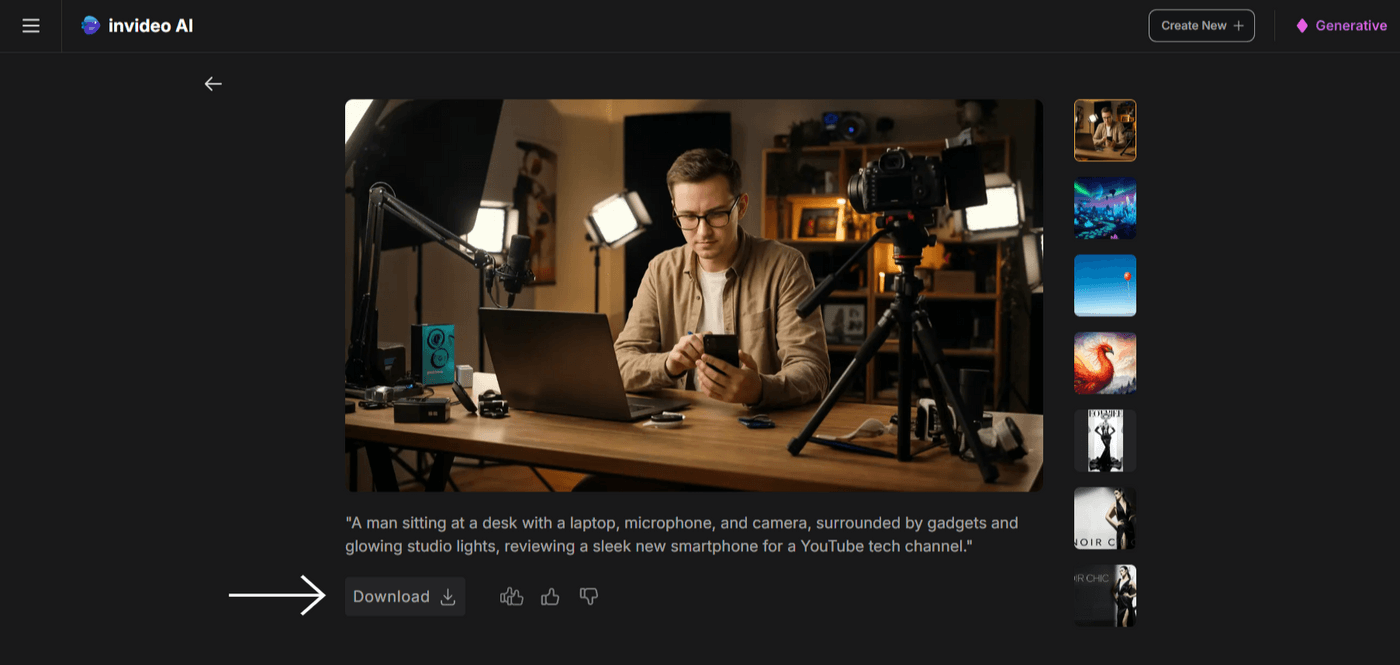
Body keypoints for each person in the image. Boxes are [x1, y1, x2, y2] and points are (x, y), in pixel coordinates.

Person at [614, 148, 830, 410]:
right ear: (675, 210)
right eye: (688, 217)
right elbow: (620, 364)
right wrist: (668, 365)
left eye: (716, 214)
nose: (702, 232)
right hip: (681, 426)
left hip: (757, 426)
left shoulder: (786, 266)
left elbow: (814, 371)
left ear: (742, 206)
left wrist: (760, 389)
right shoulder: (661, 270)